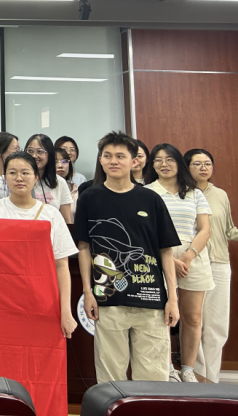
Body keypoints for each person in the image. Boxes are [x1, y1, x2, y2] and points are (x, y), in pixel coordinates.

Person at [74, 131, 180, 383]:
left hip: (151, 298)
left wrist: (173, 298)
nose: (113, 160)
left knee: (153, 378)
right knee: (110, 378)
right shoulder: (89, 197)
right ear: (100, 160)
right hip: (107, 299)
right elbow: (84, 247)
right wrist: (88, 292)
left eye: (120, 156)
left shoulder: (151, 198)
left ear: (134, 161)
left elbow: (166, 250)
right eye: (107, 155)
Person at [0, 151, 77, 338]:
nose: (19, 178)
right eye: (12, 173)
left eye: (25, 173)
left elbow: (61, 265)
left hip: (43, 298)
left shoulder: (51, 214)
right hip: (3, 299)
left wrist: (66, 311)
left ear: (36, 177)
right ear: (5, 177)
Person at [144, 143, 213, 383]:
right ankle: (167, 369)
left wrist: (187, 256)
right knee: (163, 316)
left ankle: (187, 369)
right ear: (152, 165)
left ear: (179, 163)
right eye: (158, 160)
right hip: (159, 256)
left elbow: (204, 229)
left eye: (169, 159)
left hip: (193, 257)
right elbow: (145, 231)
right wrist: (170, 260)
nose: (164, 164)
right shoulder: (147, 192)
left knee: (192, 317)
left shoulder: (194, 193)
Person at [187, 149, 237, 383]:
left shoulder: (220, 195)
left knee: (217, 326)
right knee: (193, 322)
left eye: (207, 163)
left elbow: (229, 230)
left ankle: (212, 380)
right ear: (187, 167)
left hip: (219, 263)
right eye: (197, 163)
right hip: (192, 263)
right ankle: (196, 378)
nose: (203, 168)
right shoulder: (182, 193)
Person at [25, 134, 73, 223]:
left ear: (49, 154)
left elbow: (67, 221)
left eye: (40, 151)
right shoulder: (18, 180)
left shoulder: (59, 182)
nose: (34, 155)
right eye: (30, 151)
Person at [55, 147, 79, 216]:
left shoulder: (77, 190)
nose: (60, 166)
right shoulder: (42, 189)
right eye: (55, 162)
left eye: (64, 161)